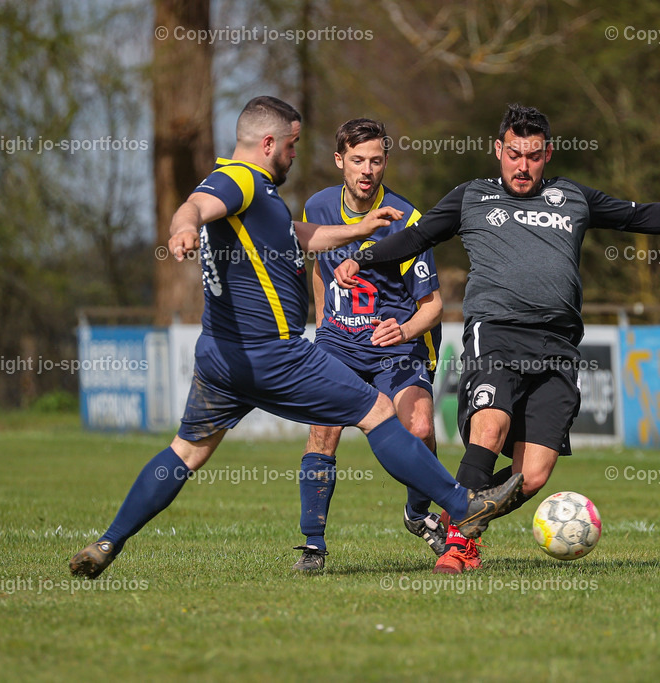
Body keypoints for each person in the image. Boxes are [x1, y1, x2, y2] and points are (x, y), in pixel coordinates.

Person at [69, 96, 522, 579]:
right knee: (378, 412)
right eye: (291, 145)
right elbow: (196, 204)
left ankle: (107, 541)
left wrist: (360, 230)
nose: (293, 155)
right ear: (269, 143)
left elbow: (300, 236)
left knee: (186, 452)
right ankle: (461, 504)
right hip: (273, 353)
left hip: (219, 359)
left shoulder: (263, 198)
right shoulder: (241, 179)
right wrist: (182, 227)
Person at [335, 103, 660, 574]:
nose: (523, 165)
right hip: (495, 332)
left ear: (548, 154)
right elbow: (417, 237)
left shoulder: (573, 198)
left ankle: (462, 511)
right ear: (498, 150)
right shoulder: (471, 197)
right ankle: (459, 544)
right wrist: (363, 256)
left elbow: (642, 216)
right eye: (514, 153)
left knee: (531, 476)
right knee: (489, 429)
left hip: (557, 346)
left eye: (533, 155)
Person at [292, 118, 445, 571]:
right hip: (338, 343)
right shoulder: (317, 207)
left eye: (376, 160)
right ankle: (314, 544)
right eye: (357, 160)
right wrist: (324, 331)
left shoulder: (408, 219)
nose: (367, 170)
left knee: (418, 429)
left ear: (385, 163)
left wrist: (406, 330)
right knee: (323, 431)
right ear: (340, 160)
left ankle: (418, 516)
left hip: (395, 346)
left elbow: (434, 306)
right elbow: (320, 273)